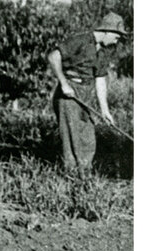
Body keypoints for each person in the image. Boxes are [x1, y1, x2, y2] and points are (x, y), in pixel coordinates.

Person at [46, 11, 127, 172]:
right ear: (107, 31)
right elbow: (53, 56)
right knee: (71, 136)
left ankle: (84, 173)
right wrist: (63, 83)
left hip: (86, 93)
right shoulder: (80, 40)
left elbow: (100, 80)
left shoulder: (104, 50)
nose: (116, 41)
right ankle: (72, 176)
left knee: (88, 137)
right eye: (116, 37)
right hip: (69, 93)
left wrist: (105, 110)